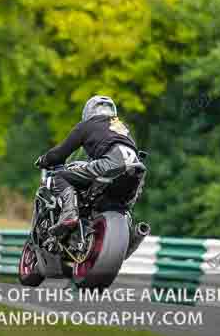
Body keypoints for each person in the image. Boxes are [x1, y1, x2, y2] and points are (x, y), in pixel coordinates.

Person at [34, 95, 147, 237]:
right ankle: (133, 235)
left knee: (60, 177)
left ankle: (69, 214)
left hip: (109, 165)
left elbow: (60, 153)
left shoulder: (87, 125)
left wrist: (44, 160)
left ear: (88, 112)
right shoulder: (122, 127)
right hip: (136, 170)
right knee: (122, 208)